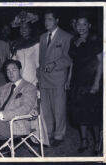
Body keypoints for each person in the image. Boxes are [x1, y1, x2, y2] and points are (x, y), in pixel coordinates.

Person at [11, 11, 49, 145]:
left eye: (26, 27)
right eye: (21, 28)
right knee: (21, 108)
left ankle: (38, 138)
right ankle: (22, 135)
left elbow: (40, 63)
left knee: (35, 109)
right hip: (21, 83)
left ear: (30, 29)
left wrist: (38, 81)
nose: (24, 30)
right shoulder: (15, 45)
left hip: (34, 80)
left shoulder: (37, 43)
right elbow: (13, 64)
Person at [68, 15, 103, 155]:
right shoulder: (73, 40)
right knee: (78, 112)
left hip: (90, 80)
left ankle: (97, 142)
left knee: (92, 113)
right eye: (78, 24)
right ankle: (84, 140)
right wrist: (68, 78)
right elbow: (72, 62)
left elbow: (101, 62)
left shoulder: (95, 40)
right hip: (77, 81)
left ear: (89, 25)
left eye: (84, 24)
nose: (81, 27)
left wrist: (96, 82)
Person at [39, 9, 73, 146]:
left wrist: (55, 64)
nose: (46, 22)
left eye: (50, 19)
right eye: (45, 19)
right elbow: (41, 59)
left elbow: (69, 58)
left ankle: (59, 136)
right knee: (45, 109)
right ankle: (48, 135)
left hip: (58, 78)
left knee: (59, 109)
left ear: (57, 20)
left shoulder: (66, 37)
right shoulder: (42, 37)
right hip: (43, 78)